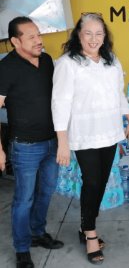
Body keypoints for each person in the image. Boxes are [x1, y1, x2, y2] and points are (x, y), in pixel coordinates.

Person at [51, 12, 129, 265]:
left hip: (109, 131)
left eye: (99, 34)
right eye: (88, 33)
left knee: (99, 183)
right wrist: (62, 140)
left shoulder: (111, 61)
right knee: (92, 181)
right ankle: (90, 235)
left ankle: (86, 225)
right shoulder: (68, 63)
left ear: (105, 37)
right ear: (78, 34)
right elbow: (60, 103)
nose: (94, 38)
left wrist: (128, 116)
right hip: (84, 133)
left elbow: (118, 92)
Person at [0, 17, 64, 268]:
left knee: (46, 191)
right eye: (31, 37)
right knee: (23, 198)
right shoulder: (6, 68)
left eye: (39, 34)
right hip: (25, 146)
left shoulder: (47, 61)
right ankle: (22, 248)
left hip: (52, 142)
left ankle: (37, 233)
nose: (39, 40)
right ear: (15, 41)